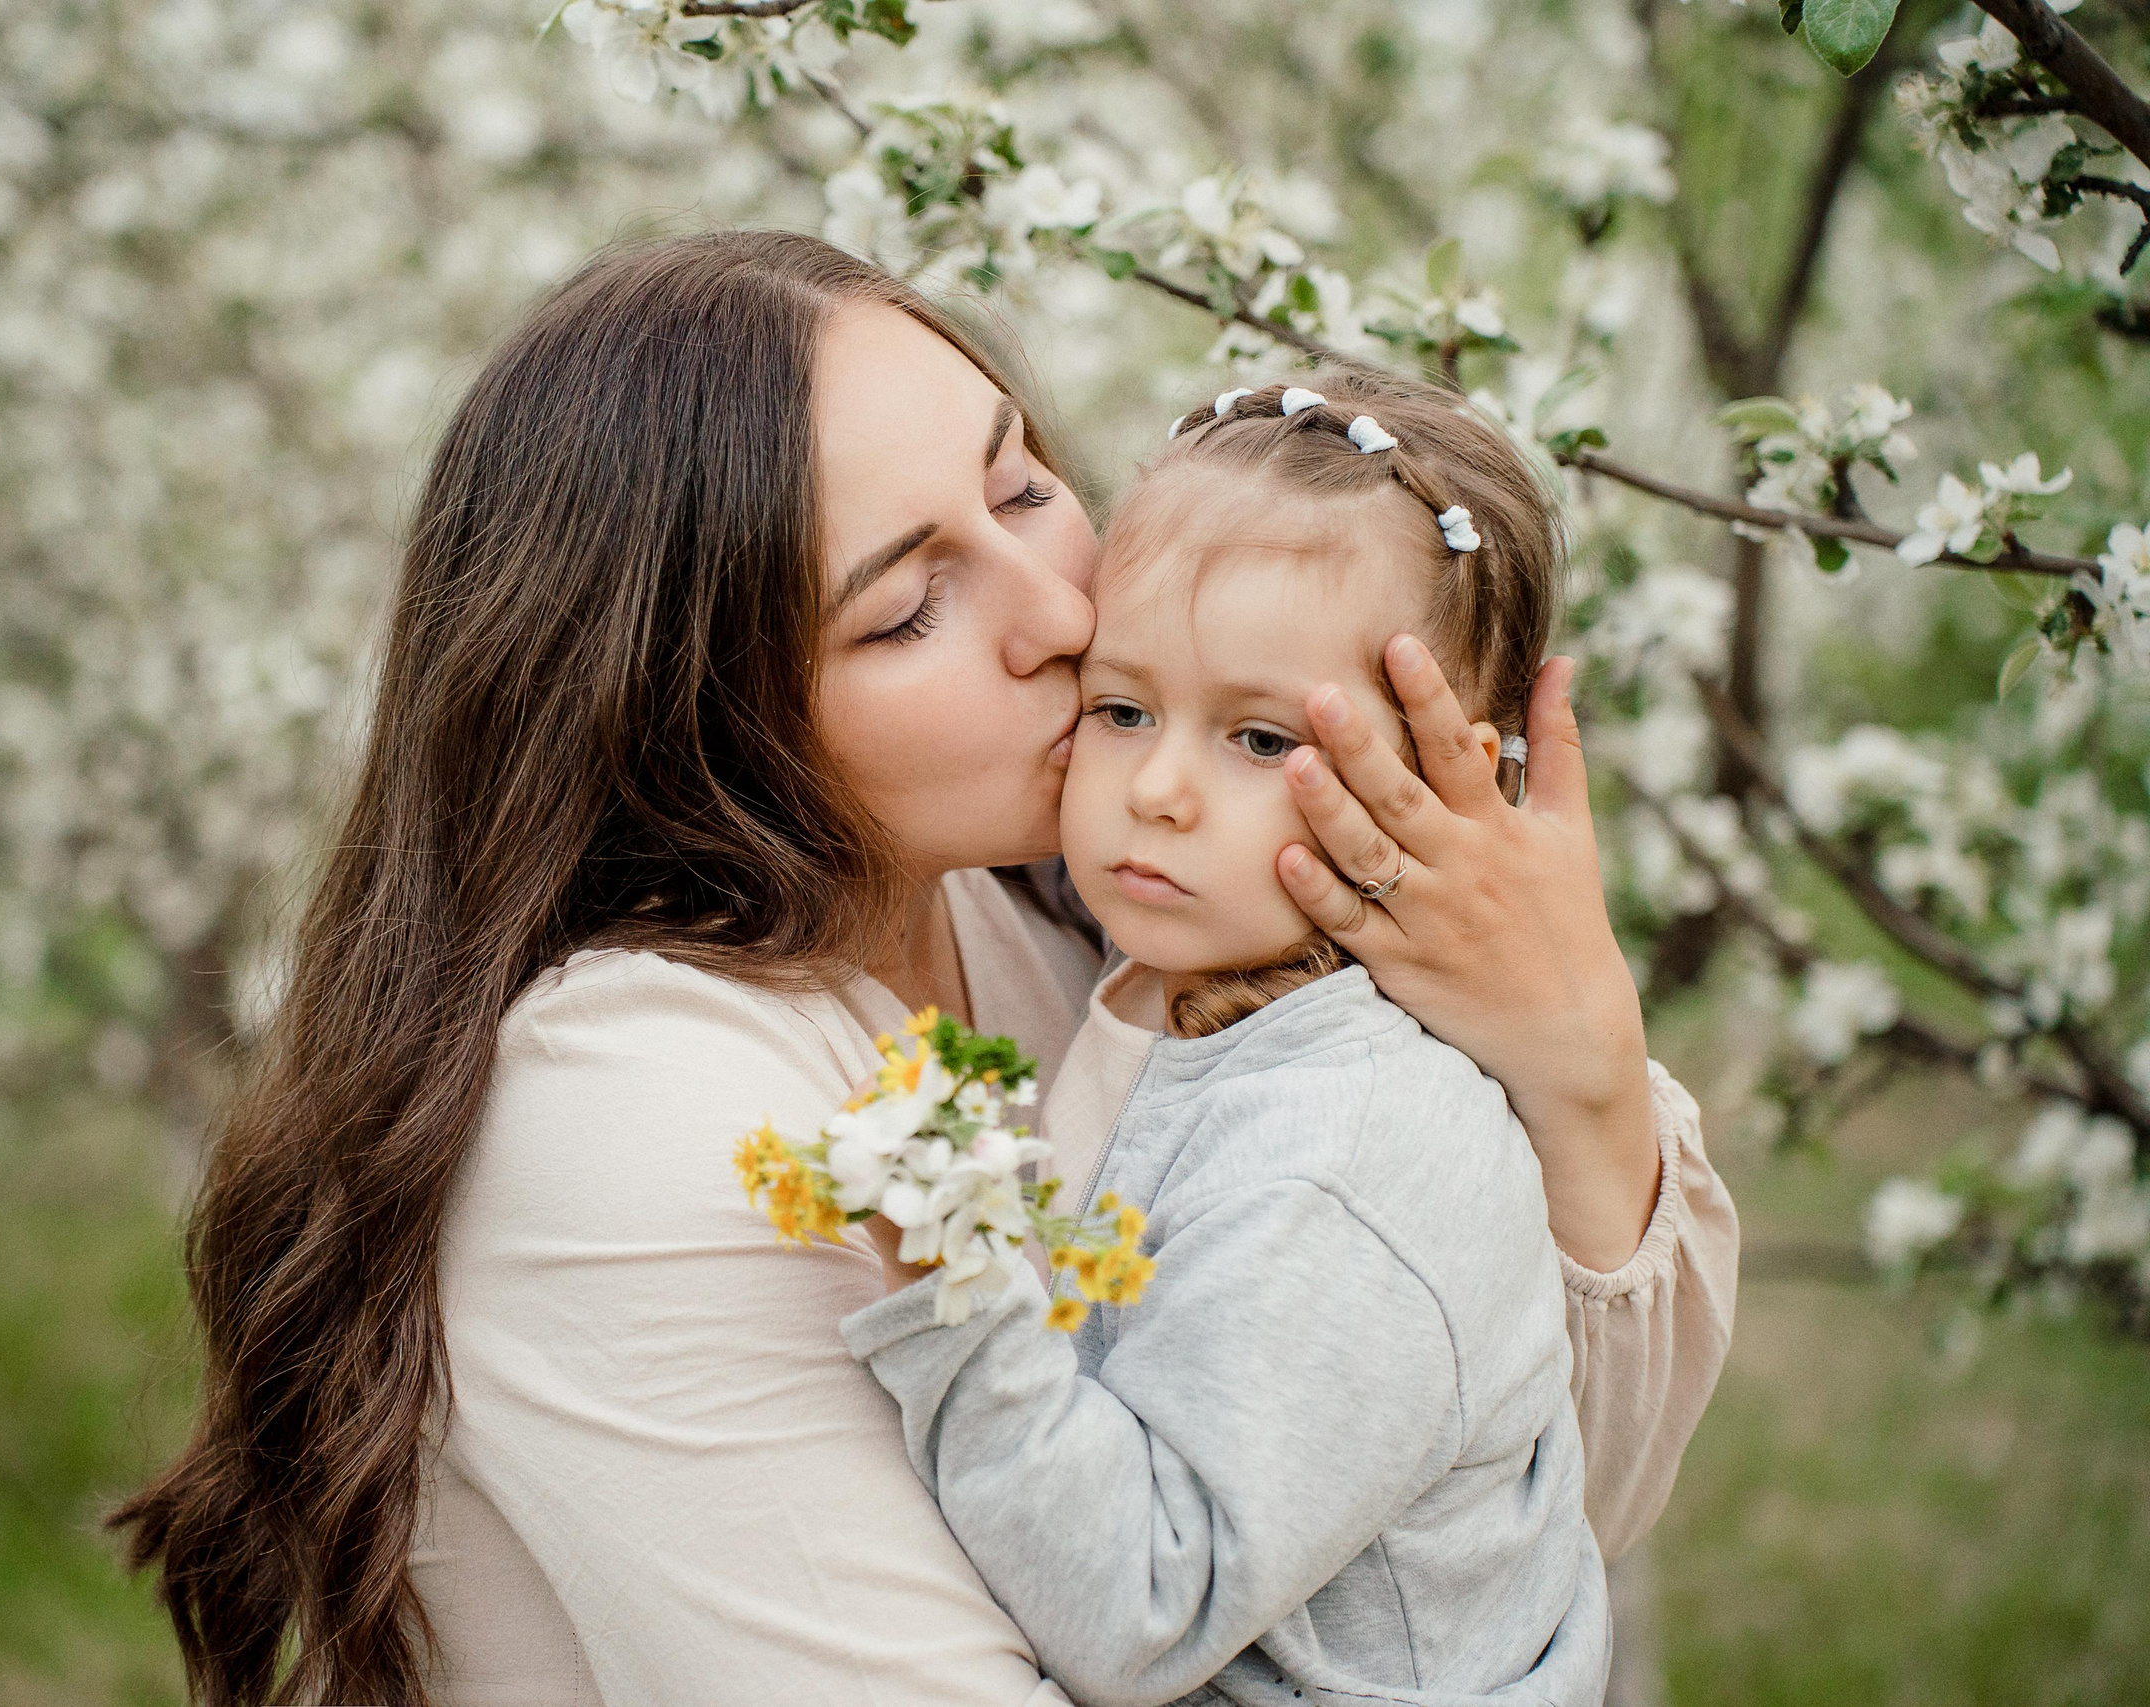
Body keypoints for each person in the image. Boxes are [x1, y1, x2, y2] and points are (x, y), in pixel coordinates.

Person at [110, 230, 1738, 1707]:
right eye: (907, 610)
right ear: (697, 715)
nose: (1060, 610)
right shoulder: (636, 1113)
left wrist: (1575, 1055)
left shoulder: (1095, 943)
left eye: (1023, 484)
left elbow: (1494, 1523)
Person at [845, 370, 1610, 1707]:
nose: (1157, 790)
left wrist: (954, 1285)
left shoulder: (1345, 1152)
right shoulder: (1173, 986)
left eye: (1261, 739)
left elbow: (1145, 1607)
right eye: (1123, 707)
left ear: (1442, 774)